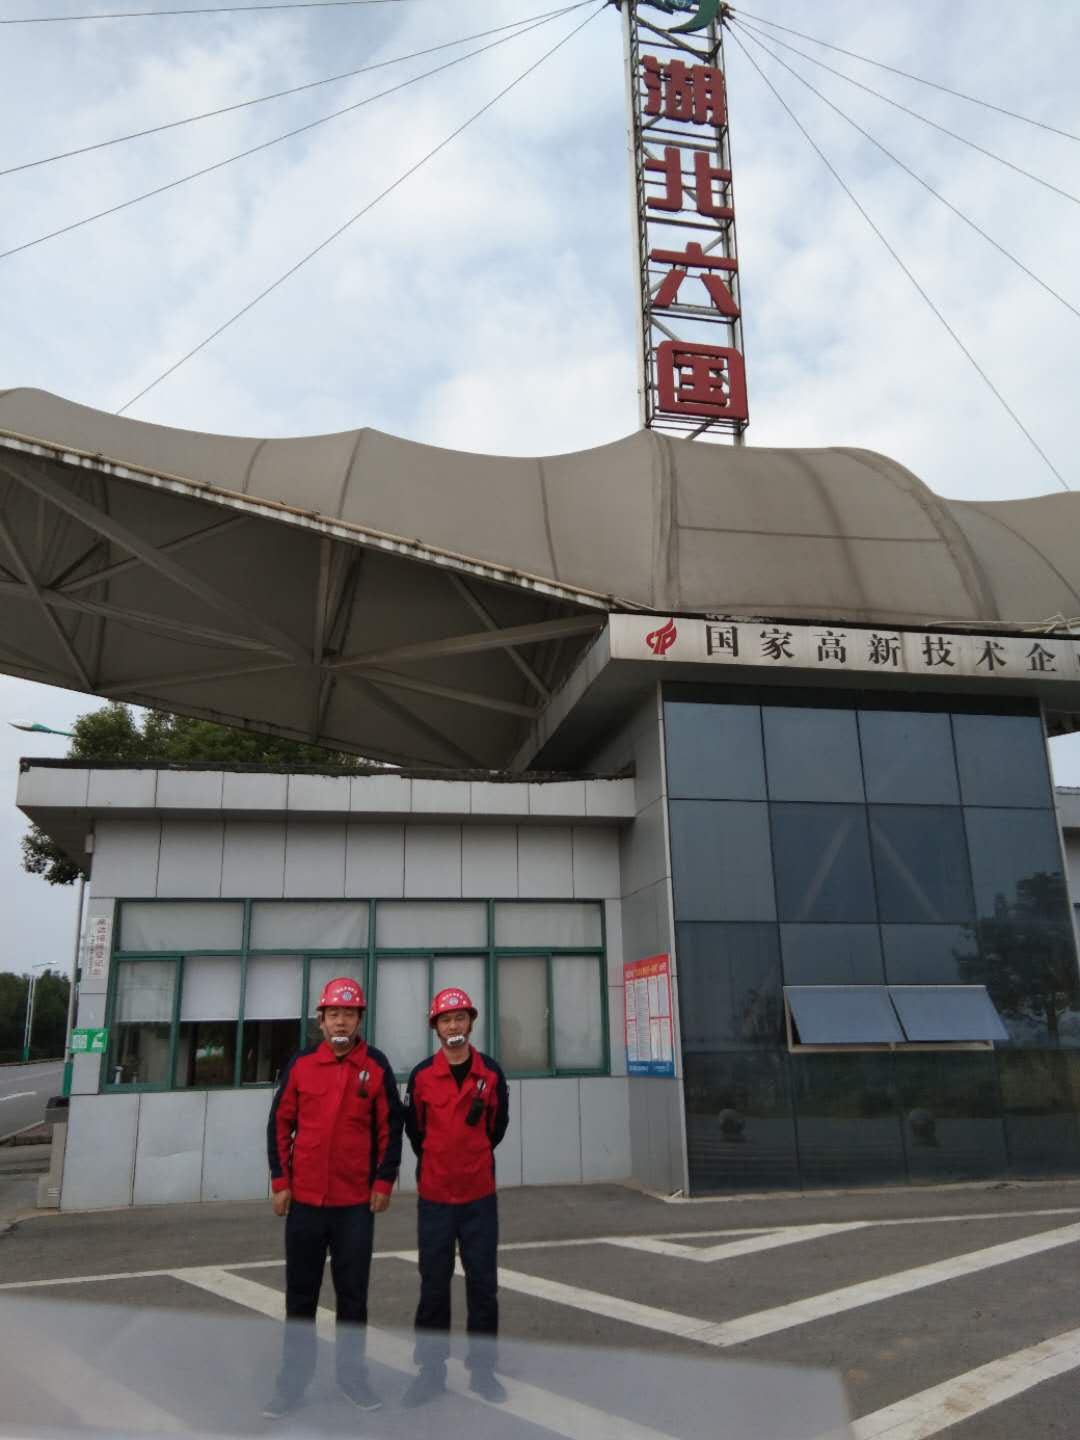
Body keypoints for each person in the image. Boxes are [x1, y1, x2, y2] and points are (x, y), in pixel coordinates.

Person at [263, 976, 403, 1418]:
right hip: (304, 1202)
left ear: (360, 1019)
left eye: (350, 1013)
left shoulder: (376, 1066)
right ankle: (292, 1384)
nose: (341, 1020)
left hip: (354, 1206)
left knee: (353, 1296)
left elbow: (390, 1130)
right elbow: (279, 1124)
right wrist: (280, 1181)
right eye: (333, 1013)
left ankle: (352, 1378)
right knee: (300, 1297)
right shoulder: (301, 1065)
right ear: (321, 1021)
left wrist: (383, 1183)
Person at [403, 986, 510, 1407]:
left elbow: (497, 1129)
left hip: (479, 1197)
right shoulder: (421, 1077)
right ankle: (430, 1372)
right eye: (446, 1020)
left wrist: (470, 1156)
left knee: (484, 1286)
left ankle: (483, 1372)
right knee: (433, 1286)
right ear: (435, 1027)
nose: (454, 1026)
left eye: (461, 1018)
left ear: (471, 1023)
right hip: (435, 1198)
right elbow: (415, 1130)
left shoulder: (492, 1074)